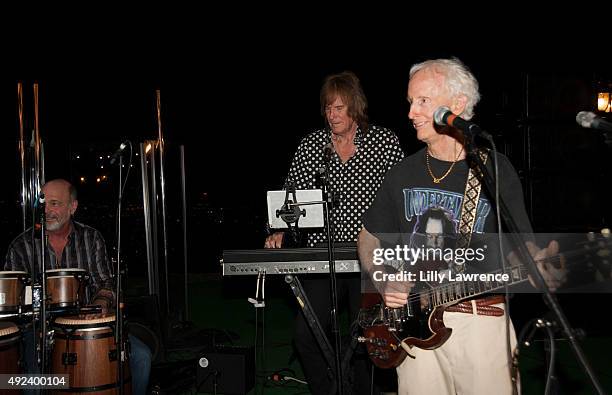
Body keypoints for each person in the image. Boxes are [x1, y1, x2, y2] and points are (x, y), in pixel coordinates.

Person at [358, 58, 564, 394]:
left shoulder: (495, 169)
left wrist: (537, 264)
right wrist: (382, 278)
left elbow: (521, 249)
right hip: (413, 329)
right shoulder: (402, 173)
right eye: (411, 103)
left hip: (481, 324)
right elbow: (367, 238)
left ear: (457, 105)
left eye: (422, 101)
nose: (411, 113)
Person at [264, 71, 404, 394]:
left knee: (366, 336)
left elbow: (402, 196)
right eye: (328, 108)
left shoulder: (383, 142)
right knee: (305, 334)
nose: (332, 115)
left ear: (356, 107)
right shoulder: (313, 145)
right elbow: (290, 196)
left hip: (369, 258)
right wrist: (280, 231)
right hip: (321, 257)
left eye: (339, 107)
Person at [5, 178, 152, 395]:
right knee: (33, 384)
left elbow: (105, 284)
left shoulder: (91, 238)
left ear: (72, 207)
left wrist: (101, 302)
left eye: (55, 203)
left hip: (88, 327)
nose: (47, 210)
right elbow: (10, 301)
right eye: (43, 203)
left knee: (141, 358)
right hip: (36, 331)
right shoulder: (21, 245)